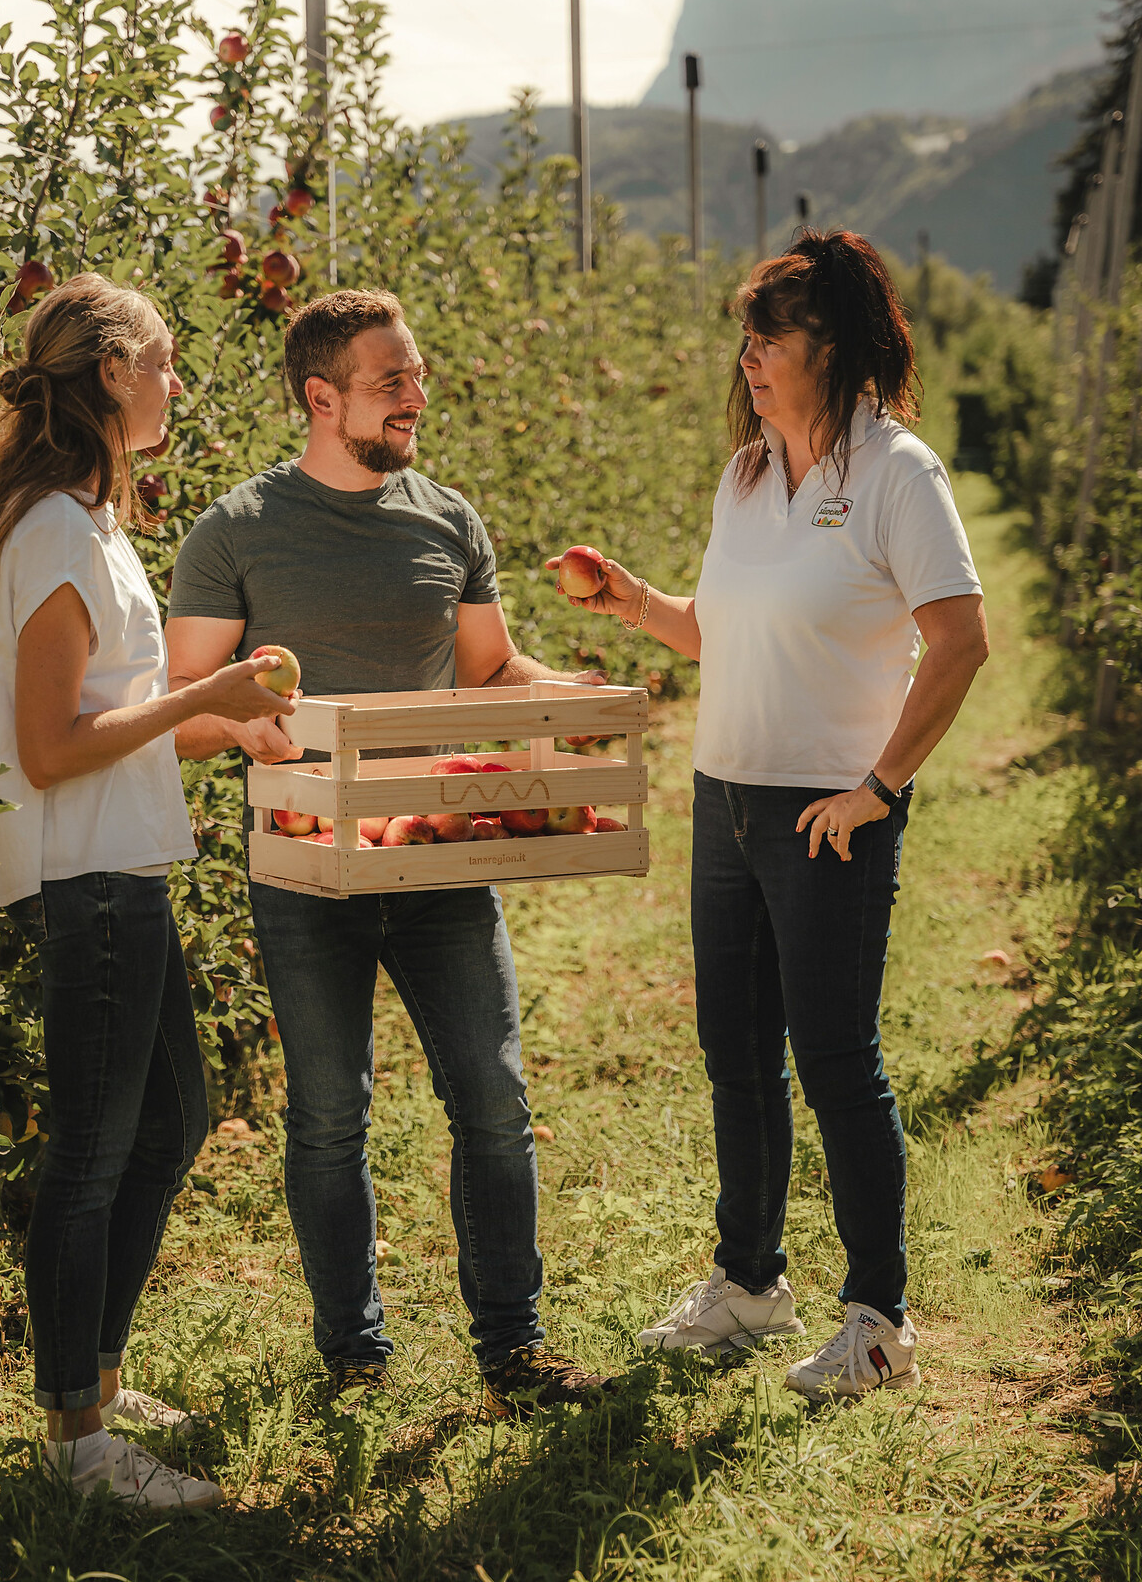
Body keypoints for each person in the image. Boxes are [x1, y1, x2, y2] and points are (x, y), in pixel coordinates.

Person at [552, 231, 988, 1401]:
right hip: (728, 797)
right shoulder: (746, 477)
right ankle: (750, 1283)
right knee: (737, 1059)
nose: (747, 358)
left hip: (830, 816)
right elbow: (722, 629)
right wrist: (632, 601)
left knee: (838, 1062)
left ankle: (880, 1323)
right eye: (743, 338)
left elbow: (959, 640)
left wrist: (878, 789)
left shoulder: (898, 474)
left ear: (830, 346)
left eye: (768, 338)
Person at [165, 288, 609, 1416]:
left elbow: (490, 671)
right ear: (323, 398)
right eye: (391, 381)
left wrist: (570, 694)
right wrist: (245, 727)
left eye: (417, 374)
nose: (417, 395)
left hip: (437, 852)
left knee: (494, 1101)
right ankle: (354, 1356)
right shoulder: (237, 530)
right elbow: (182, 707)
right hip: (305, 864)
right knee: (329, 1115)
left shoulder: (447, 520)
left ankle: (514, 1350)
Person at [0, 274, 293, 1508]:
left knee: (172, 1123)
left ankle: (92, 1377)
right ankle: (77, 1445)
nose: (176, 384)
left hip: (124, 864)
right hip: (85, 876)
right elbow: (51, 750)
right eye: (164, 361)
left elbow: (116, 722)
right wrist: (208, 695)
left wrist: (228, 726)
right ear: (111, 373)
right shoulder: (52, 531)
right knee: (94, 1154)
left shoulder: (90, 525)